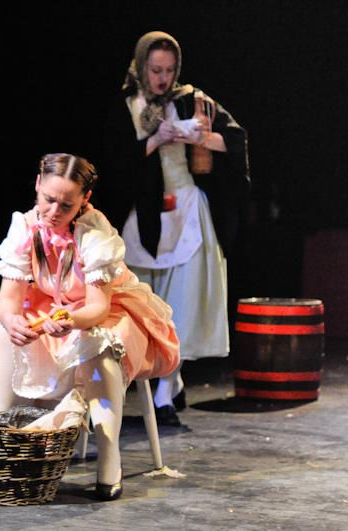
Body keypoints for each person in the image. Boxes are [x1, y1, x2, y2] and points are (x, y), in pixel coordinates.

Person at [0, 153, 180, 501]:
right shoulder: (24, 226)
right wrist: (13, 321)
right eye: (48, 199)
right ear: (38, 185)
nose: (54, 211)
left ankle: (109, 459)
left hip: (107, 310)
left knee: (99, 344)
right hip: (52, 306)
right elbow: (7, 301)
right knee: (2, 332)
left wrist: (70, 320)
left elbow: (97, 307)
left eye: (66, 205)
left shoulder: (94, 230)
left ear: (85, 199)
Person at [98, 31, 250, 427]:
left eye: (168, 70)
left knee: (182, 303)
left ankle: (165, 391)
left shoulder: (191, 100)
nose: (163, 79)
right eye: (155, 70)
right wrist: (153, 141)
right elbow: (113, 163)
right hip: (143, 217)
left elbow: (235, 141)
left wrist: (203, 137)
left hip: (187, 213)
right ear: (141, 66)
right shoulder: (127, 105)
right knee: (142, 303)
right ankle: (168, 379)